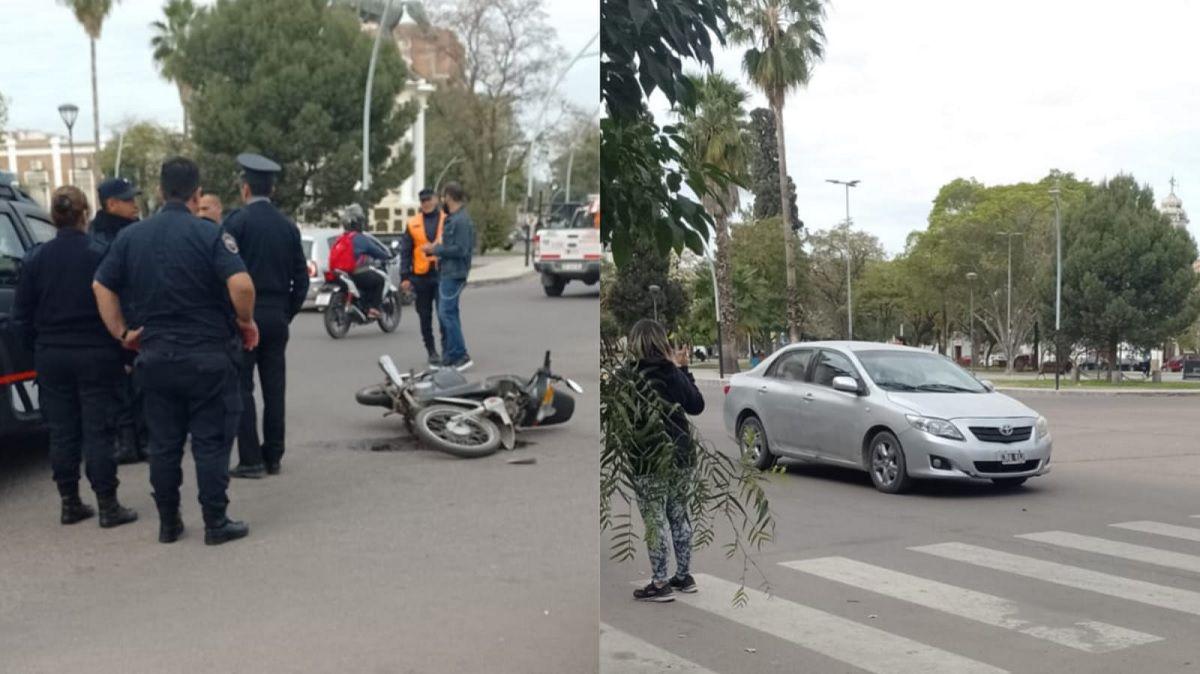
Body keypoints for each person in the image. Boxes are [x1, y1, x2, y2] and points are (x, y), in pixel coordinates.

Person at [93, 156, 259, 546]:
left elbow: (101, 286)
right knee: (210, 441)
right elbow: (243, 286)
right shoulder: (208, 234)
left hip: (155, 355)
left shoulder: (131, 237)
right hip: (206, 355)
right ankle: (215, 522)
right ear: (196, 193)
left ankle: (169, 522)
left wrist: (122, 333)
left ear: (159, 191)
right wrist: (245, 320)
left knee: (165, 445)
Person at [12, 186, 138, 528]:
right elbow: (119, 306)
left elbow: (21, 316)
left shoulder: (35, 258)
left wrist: (36, 351)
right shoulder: (100, 253)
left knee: (62, 431)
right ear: (85, 215)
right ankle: (108, 505)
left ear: (54, 217)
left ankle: (70, 502)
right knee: (98, 430)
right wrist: (123, 348)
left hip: (52, 355)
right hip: (96, 353)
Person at [222, 153, 309, 479]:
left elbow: (224, 273)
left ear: (245, 188)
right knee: (275, 389)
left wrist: (231, 314)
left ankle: (251, 460)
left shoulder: (236, 223)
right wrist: (287, 311)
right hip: (276, 315)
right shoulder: (287, 226)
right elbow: (301, 278)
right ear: (271, 190)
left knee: (243, 388)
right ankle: (274, 455)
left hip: (244, 316)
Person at [626, 319, 705, 603]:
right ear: (662, 343)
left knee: (655, 519)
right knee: (678, 514)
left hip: (648, 457)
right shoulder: (672, 373)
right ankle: (684, 576)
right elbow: (696, 405)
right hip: (681, 454)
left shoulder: (629, 376)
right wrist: (683, 369)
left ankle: (660, 582)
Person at [88, 177, 147, 465]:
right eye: (128, 200)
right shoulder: (98, 239)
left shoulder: (135, 232)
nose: (135, 204)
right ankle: (127, 440)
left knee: (142, 382)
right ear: (112, 204)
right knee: (118, 383)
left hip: (138, 317)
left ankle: (143, 438)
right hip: (112, 320)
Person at [425, 181, 474, 371]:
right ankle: (450, 355)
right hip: (448, 271)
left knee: (447, 314)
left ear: (450, 197)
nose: (442, 200)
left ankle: (460, 355)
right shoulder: (453, 218)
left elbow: (461, 249)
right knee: (448, 313)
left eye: (444, 196)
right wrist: (437, 252)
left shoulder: (461, 221)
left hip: (454, 273)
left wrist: (436, 249)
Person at [400, 188, 444, 366]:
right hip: (421, 276)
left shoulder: (445, 219)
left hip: (441, 274)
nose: (426, 203)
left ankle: (447, 349)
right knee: (424, 316)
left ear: (435, 200)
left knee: (444, 315)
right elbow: (405, 251)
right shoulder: (413, 223)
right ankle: (431, 351)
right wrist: (405, 277)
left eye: (429, 199)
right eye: (423, 200)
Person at [327, 204, 391, 317]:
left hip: (339, 273)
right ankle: (373, 308)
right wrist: (387, 256)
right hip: (356, 273)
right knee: (380, 280)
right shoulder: (360, 238)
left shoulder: (341, 238)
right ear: (358, 223)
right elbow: (377, 252)